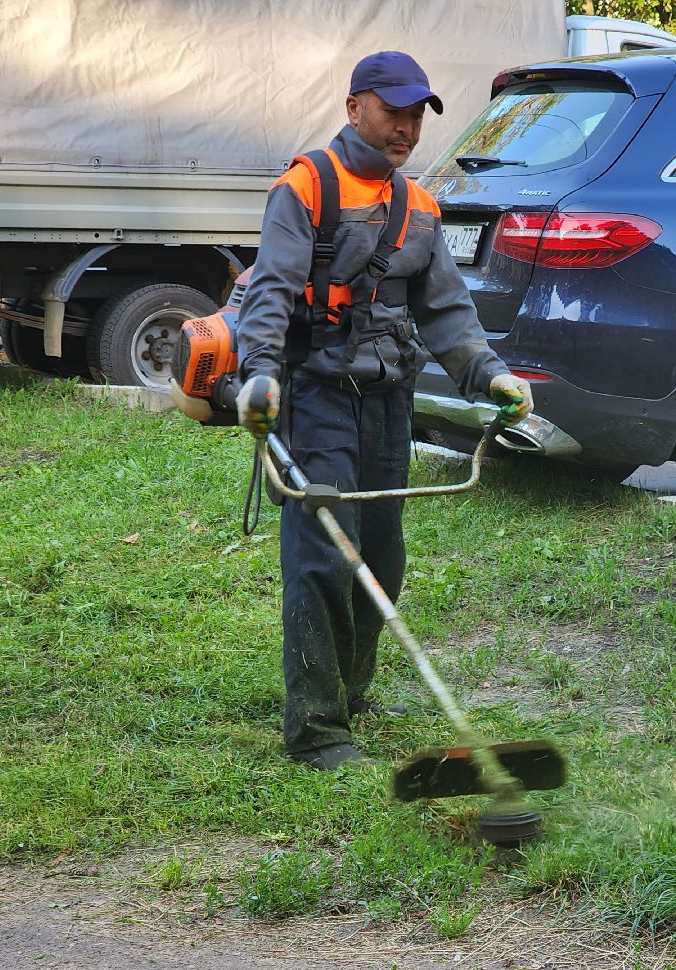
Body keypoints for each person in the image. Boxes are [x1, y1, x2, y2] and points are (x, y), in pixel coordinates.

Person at [233, 51, 533, 770]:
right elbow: (272, 289)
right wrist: (259, 378)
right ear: (353, 107)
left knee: (383, 559)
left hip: (388, 401)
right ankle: (316, 729)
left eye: (414, 115)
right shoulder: (305, 188)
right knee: (324, 560)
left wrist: (490, 375)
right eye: (391, 111)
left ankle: (351, 690)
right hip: (315, 395)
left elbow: (448, 314)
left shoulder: (419, 207)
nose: (404, 129)